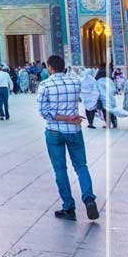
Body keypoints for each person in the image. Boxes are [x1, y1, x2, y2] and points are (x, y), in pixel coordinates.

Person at [37, 55, 99, 221]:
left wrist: (65, 118)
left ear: (49, 67)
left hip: (54, 132)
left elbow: (44, 112)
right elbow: (88, 97)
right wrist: (71, 117)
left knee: (60, 169)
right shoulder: (75, 82)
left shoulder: (45, 85)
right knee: (81, 166)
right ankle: (89, 198)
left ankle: (68, 207)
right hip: (74, 130)